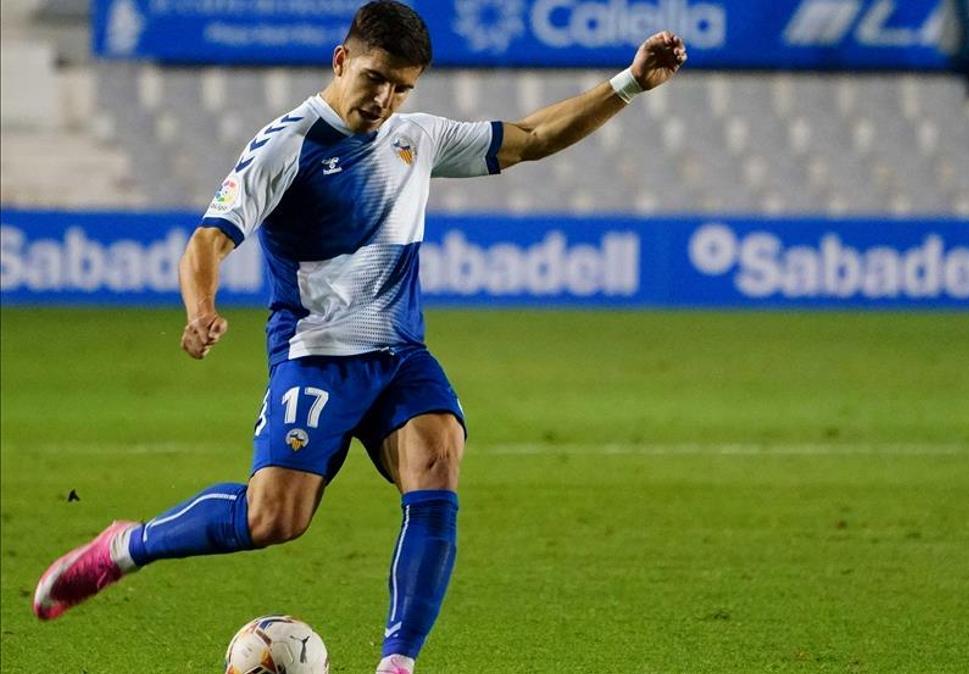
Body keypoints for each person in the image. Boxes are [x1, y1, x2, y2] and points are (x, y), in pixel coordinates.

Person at [31, 3, 686, 672]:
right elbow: (207, 241)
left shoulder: (416, 137)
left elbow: (531, 136)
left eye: (403, 86)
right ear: (342, 61)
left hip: (400, 355)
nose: (386, 98)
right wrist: (200, 308)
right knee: (275, 519)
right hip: (316, 356)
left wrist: (628, 83)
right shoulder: (288, 144)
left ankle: (397, 663)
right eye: (376, 78)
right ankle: (124, 547)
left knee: (438, 462)